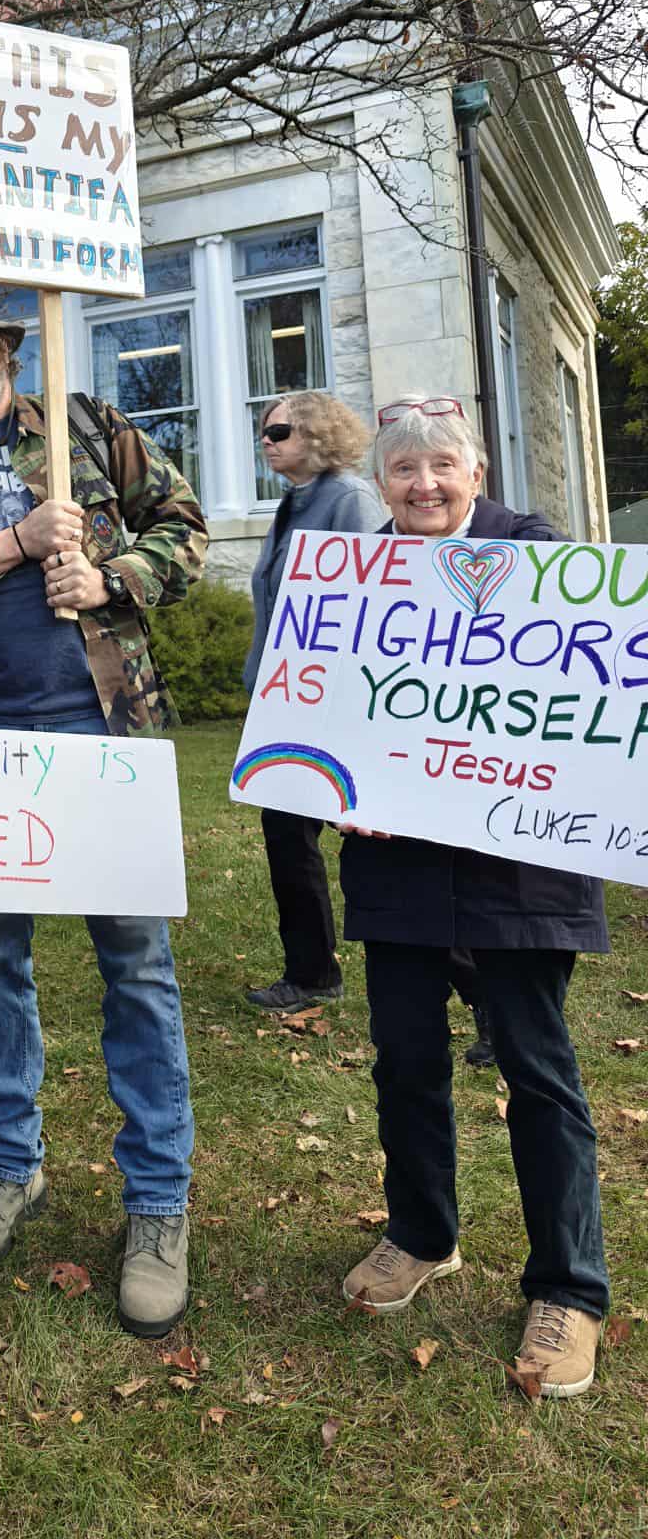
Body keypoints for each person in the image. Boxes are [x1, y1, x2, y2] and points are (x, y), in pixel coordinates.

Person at [0, 280, 208, 1338]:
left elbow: (184, 530)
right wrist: (9, 547)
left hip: (108, 737)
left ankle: (157, 1201)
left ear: (6, 346)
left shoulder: (92, 427)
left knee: (136, 966)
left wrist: (112, 578)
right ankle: (11, 1168)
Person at [338, 394, 609, 1398]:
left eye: (442, 465)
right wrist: (344, 784)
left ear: (478, 471)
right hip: (400, 864)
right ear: (382, 484)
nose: (424, 486)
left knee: (537, 1068)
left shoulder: (544, 563)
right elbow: (329, 711)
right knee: (406, 1060)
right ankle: (421, 1233)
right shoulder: (355, 576)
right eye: (403, 471)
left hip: (519, 865)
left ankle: (569, 1288)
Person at [241, 390, 382, 1011]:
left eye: (277, 431)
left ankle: (483, 997)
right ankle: (311, 975)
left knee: (378, 847)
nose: (265, 441)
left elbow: (376, 602)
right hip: (286, 706)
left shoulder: (348, 499)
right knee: (286, 838)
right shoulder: (295, 501)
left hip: (336, 706)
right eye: (263, 433)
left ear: (319, 434)